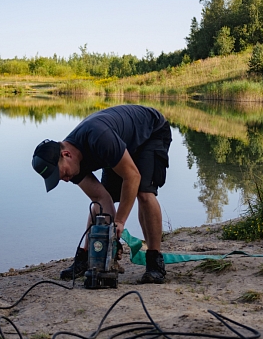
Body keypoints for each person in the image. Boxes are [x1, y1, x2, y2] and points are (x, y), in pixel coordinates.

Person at [31, 104, 173, 284]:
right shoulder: (72, 165)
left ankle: (155, 262)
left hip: (151, 131)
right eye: (60, 179)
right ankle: (84, 258)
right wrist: (111, 239)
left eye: (63, 174)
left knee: (143, 192)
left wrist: (120, 221)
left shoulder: (99, 138)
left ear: (66, 154)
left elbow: (132, 176)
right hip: (120, 145)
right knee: (99, 205)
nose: (66, 179)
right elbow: (101, 199)